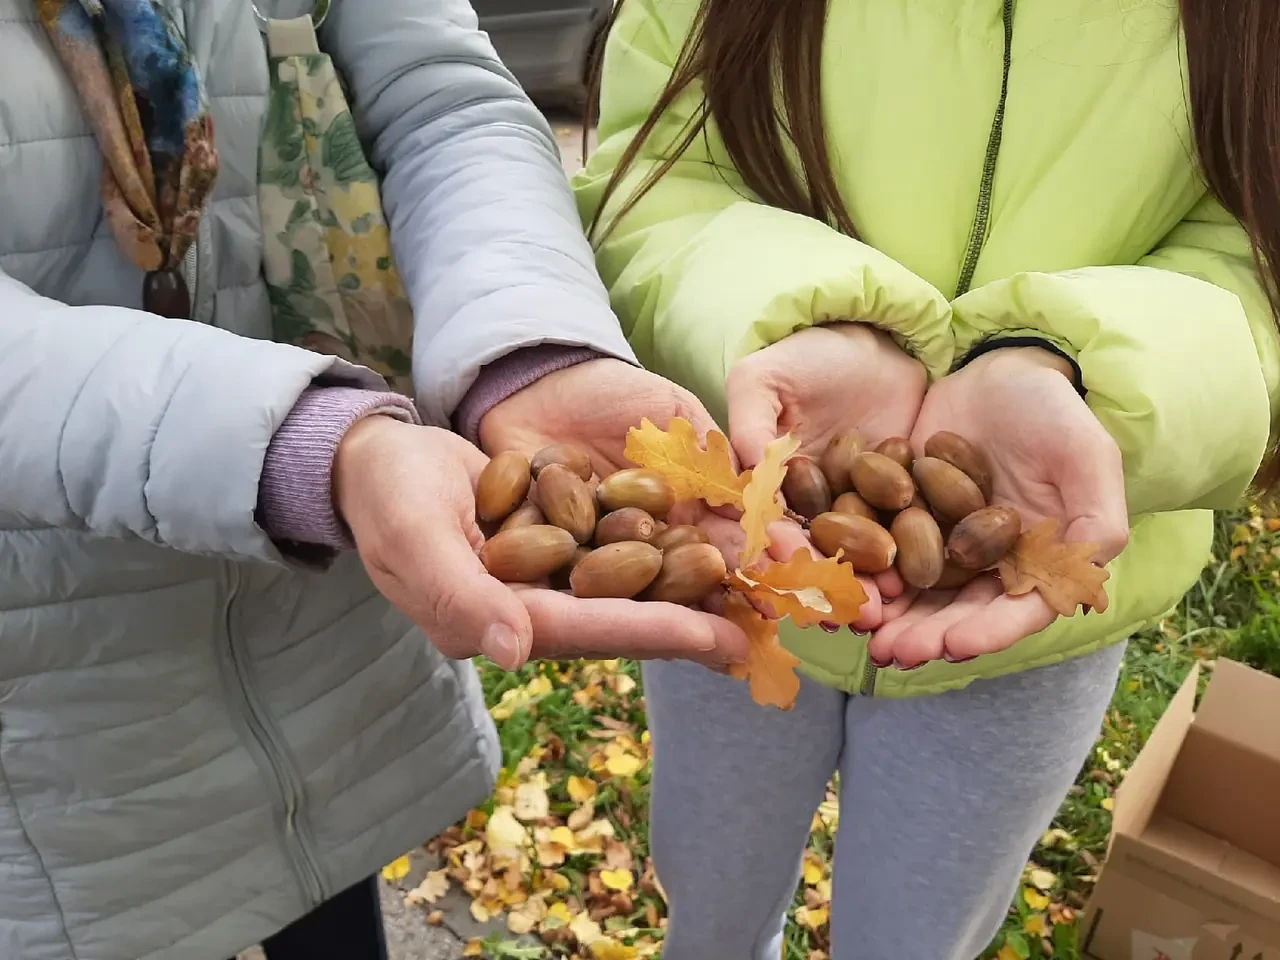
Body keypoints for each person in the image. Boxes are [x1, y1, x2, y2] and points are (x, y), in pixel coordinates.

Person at [0, 1, 748, 959]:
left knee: (333, 904)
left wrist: (525, 348)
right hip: (54, 710)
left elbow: (439, 100)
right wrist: (302, 445)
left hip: (324, 633)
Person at [574, 0, 1280, 957]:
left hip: (1028, 624)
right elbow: (651, 180)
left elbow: (1257, 263)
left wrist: (1072, 371)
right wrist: (793, 322)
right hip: (749, 566)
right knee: (709, 905)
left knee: (917, 940)